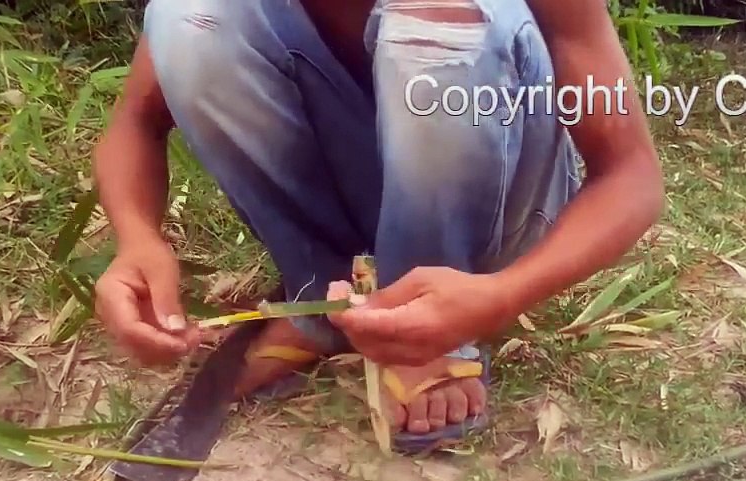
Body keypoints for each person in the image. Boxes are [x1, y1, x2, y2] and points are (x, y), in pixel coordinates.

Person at [92, 0, 664, 455]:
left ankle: (433, 315)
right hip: (360, 179)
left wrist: (502, 295)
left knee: (437, 16)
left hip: (504, 197)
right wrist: (138, 237)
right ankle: (326, 295)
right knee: (190, 17)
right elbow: (137, 122)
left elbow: (631, 175)